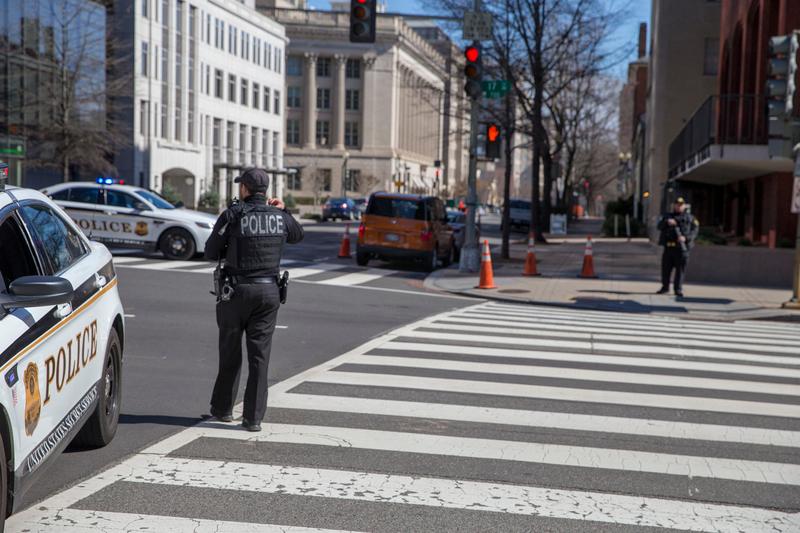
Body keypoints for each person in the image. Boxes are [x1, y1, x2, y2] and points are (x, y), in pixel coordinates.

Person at [204, 168, 304, 431]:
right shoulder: (279, 216)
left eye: (241, 186)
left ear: (245, 189)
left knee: (230, 352)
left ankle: (224, 409)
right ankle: (253, 418)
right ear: (266, 191)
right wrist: (284, 211)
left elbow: (210, 251)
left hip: (235, 292)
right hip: (269, 292)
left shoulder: (234, 214)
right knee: (260, 357)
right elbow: (297, 235)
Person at [657, 197, 699, 298]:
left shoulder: (690, 218)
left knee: (680, 270)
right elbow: (659, 226)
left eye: (681, 205)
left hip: (681, 249)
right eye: (677, 204)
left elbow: (695, 231)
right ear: (674, 205)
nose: (679, 206)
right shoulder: (667, 216)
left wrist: (686, 238)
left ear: (684, 206)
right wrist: (667, 222)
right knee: (666, 269)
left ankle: (678, 289)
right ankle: (665, 287)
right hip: (668, 248)